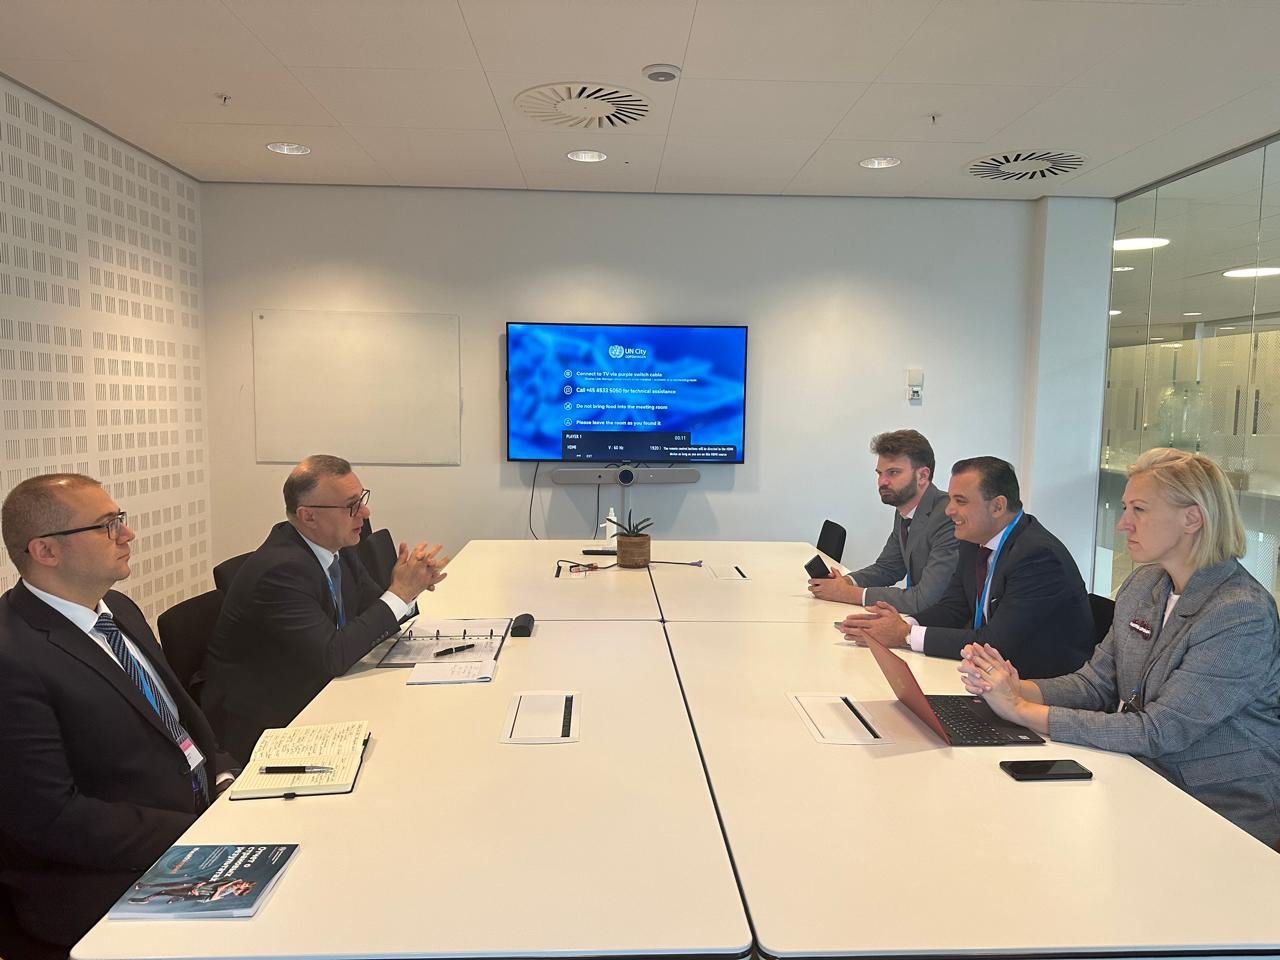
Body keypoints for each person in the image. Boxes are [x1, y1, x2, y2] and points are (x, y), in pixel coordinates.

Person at [959, 448, 1280, 847]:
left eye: (1139, 510)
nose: (1123, 524)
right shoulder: (1143, 586)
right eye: (1125, 507)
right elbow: (1096, 685)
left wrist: (1024, 712)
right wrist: (1013, 688)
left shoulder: (1239, 615)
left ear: (1192, 518)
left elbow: (1159, 731)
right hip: (1139, 776)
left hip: (1218, 811)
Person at [0, 474, 237, 949]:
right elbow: (50, 819)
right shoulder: (11, 655)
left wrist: (227, 777)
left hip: (200, 812)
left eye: (121, 521)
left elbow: (177, 721)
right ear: (46, 551)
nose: (127, 535)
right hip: (104, 873)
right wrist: (202, 831)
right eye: (108, 526)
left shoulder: (119, 610)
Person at [202, 455, 447, 762]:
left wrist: (407, 591)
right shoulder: (280, 571)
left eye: (363, 500)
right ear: (308, 516)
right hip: (269, 722)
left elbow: (376, 609)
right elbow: (334, 656)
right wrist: (399, 593)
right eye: (351, 506)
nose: (365, 512)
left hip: (319, 689)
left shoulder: (338, 547)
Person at [837, 456, 1093, 678]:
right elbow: (953, 608)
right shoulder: (974, 541)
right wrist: (901, 622)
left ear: (998, 506)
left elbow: (996, 643)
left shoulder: (1038, 557)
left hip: (1037, 688)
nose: (949, 510)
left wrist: (905, 635)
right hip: (989, 675)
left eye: (960, 501)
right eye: (950, 499)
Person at [808, 429, 958, 616]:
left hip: (944, 627)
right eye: (879, 473)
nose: (882, 482)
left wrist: (849, 594)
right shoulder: (904, 510)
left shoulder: (947, 515)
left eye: (893, 473)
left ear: (922, 476)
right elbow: (887, 568)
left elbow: (924, 599)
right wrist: (846, 582)